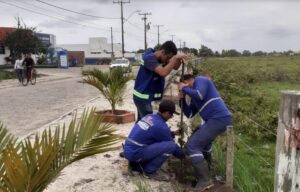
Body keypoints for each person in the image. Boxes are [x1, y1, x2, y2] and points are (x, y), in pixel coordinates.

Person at [178, 74, 233, 191]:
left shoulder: (201, 80)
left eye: (185, 84)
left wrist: (183, 88)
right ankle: (206, 175)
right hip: (215, 120)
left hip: (219, 118)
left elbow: (199, 94)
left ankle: (204, 180)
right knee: (204, 145)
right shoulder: (195, 98)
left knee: (193, 145)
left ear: (189, 80)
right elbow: (190, 114)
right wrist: (181, 98)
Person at [123, 100, 185, 181]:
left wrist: (173, 133)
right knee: (171, 146)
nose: (171, 116)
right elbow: (174, 147)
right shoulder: (161, 126)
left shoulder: (149, 116)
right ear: (166, 113)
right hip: (135, 154)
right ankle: (149, 171)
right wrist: (183, 156)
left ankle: (137, 164)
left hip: (128, 150)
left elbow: (155, 133)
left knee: (159, 142)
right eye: (171, 114)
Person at [133, 41, 187, 121]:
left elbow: (175, 67)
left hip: (149, 98)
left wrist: (178, 59)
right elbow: (163, 72)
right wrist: (175, 58)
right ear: (163, 52)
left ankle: (135, 133)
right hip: (143, 98)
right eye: (168, 57)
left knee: (141, 123)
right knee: (148, 124)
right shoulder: (149, 58)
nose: (168, 60)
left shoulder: (161, 58)